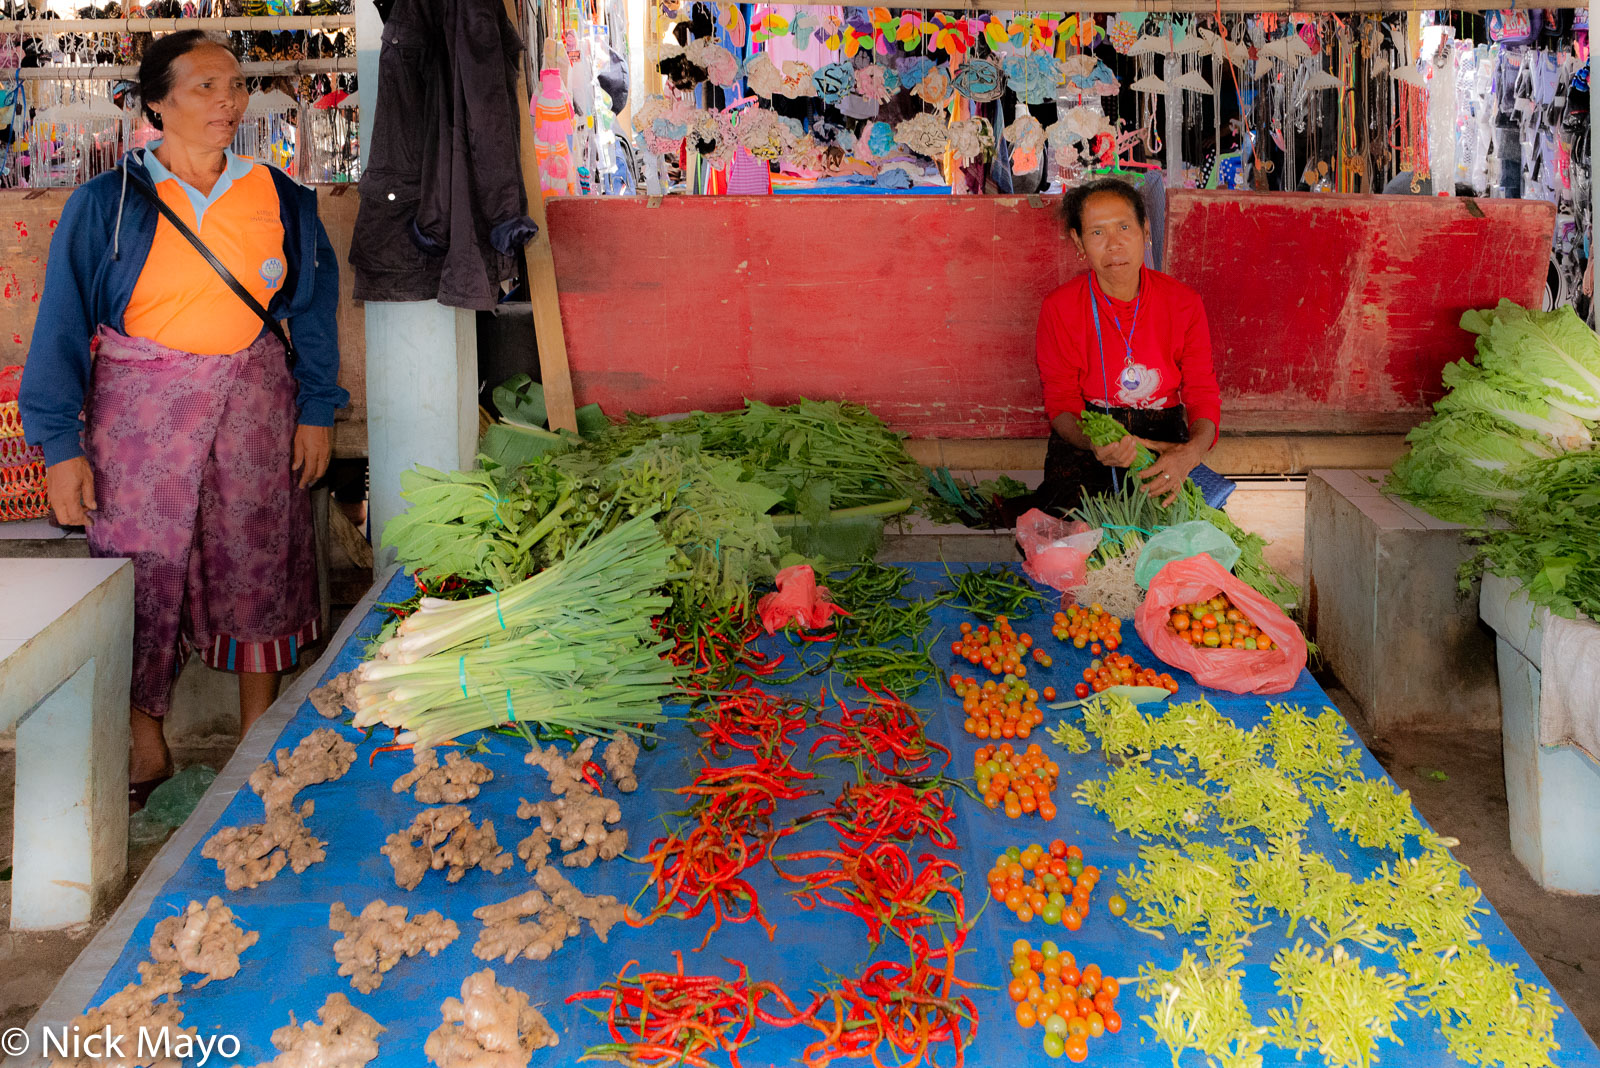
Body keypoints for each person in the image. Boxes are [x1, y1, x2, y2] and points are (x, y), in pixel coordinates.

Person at [18, 30, 348, 805]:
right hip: (139, 421)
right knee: (140, 567)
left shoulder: (281, 199)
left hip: (256, 411)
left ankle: (254, 744)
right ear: (155, 103)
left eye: (234, 87)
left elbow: (312, 315)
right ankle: (144, 746)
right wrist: (60, 446)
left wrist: (318, 410)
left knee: (258, 554)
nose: (227, 102)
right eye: (204, 87)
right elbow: (62, 328)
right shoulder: (109, 203)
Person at [1032, 178, 1221, 515]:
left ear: (1145, 231)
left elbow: (1203, 395)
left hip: (1162, 434)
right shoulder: (1060, 308)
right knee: (1074, 537)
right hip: (1090, 432)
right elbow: (1060, 402)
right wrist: (1093, 442)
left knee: (1183, 538)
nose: (1114, 245)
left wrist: (1188, 455)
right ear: (1078, 241)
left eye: (1124, 227)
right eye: (1097, 233)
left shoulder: (1183, 304)